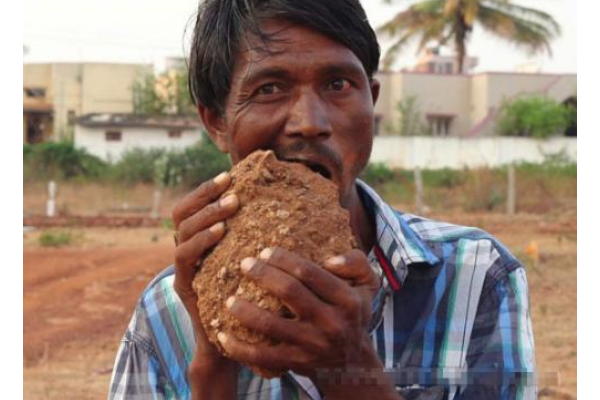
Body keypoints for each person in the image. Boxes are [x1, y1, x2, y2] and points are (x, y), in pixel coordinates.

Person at [108, 0, 536, 399]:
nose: (310, 123)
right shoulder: (167, 311)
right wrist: (213, 362)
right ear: (216, 121)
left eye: (338, 84)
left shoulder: (475, 277)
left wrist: (349, 368)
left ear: (372, 101)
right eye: (270, 88)